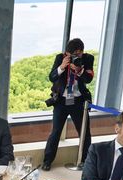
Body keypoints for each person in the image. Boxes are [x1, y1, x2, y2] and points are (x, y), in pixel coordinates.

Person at [41, 39, 95, 171]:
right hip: (61, 101)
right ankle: (47, 161)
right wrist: (62, 67)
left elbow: (88, 79)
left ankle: (84, 161)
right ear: (66, 53)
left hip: (78, 101)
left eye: (78, 54)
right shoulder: (60, 58)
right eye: (72, 55)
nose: (75, 57)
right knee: (55, 132)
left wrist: (79, 71)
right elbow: (52, 77)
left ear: (82, 52)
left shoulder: (88, 59)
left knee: (84, 133)